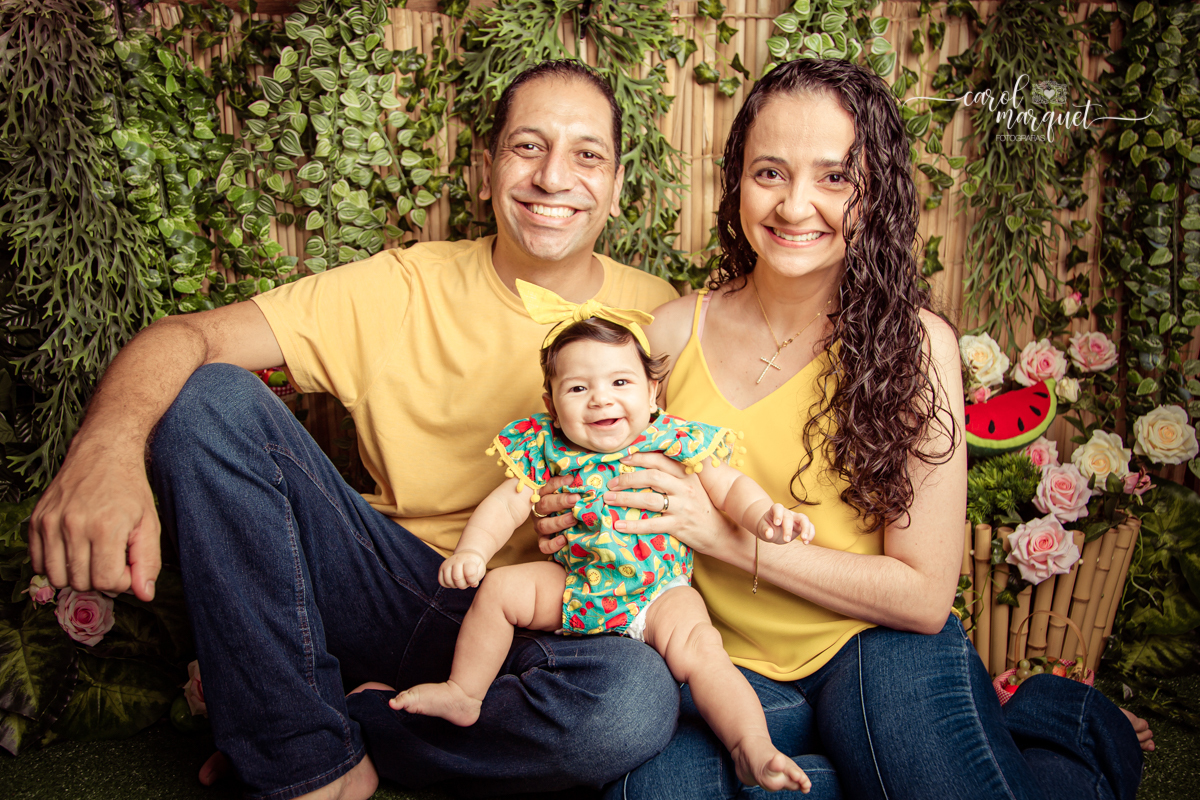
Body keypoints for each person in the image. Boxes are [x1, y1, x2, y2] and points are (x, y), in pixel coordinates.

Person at [27, 60, 683, 800]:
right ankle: (305, 764)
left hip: (548, 623)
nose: (554, 177)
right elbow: (188, 337)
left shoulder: (660, 318)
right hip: (392, 588)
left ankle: (325, 714)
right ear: (487, 169)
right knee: (208, 397)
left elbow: (694, 491)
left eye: (586, 154)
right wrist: (104, 451)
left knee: (628, 709)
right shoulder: (402, 286)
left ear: (619, 185)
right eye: (527, 146)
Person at [532, 58, 1154, 800]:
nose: (796, 206)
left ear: (876, 193)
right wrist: (566, 512)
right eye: (770, 172)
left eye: (835, 177)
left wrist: (723, 535)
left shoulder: (915, 345)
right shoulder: (667, 334)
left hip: (877, 645)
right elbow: (597, 458)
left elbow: (922, 596)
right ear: (737, 182)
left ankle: (1072, 728)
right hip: (723, 668)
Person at [380, 283, 814, 792]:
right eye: (578, 388)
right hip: (577, 581)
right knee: (498, 591)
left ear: (654, 393)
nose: (601, 398)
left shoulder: (669, 437)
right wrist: (474, 551)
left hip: (659, 591)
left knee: (702, 647)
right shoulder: (545, 447)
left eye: (621, 381)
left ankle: (751, 747)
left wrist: (765, 517)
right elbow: (505, 504)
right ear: (552, 402)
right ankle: (464, 692)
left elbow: (730, 487)